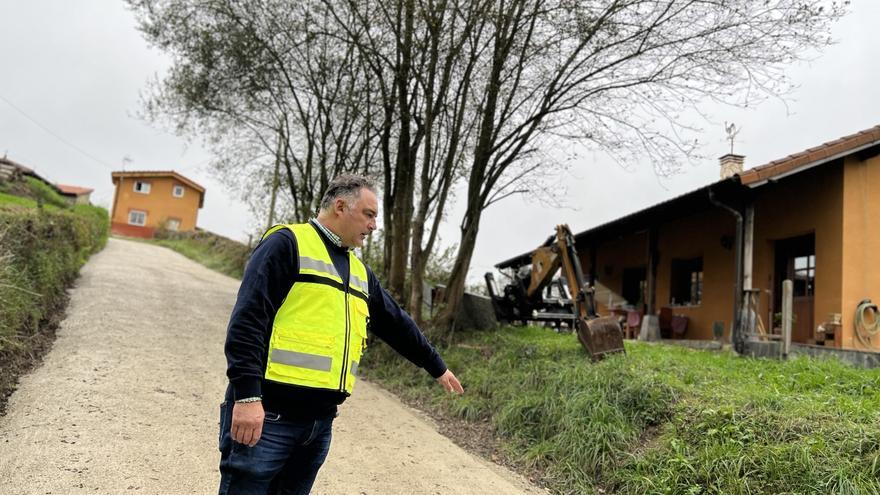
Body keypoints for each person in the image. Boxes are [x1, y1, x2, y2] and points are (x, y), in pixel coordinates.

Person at [218, 174, 464, 494]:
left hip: (318, 425)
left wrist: (437, 365)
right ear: (340, 207)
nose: (374, 225)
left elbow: (395, 323)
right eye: (369, 214)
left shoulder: (358, 271)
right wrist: (247, 396)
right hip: (269, 417)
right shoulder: (287, 244)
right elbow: (247, 323)